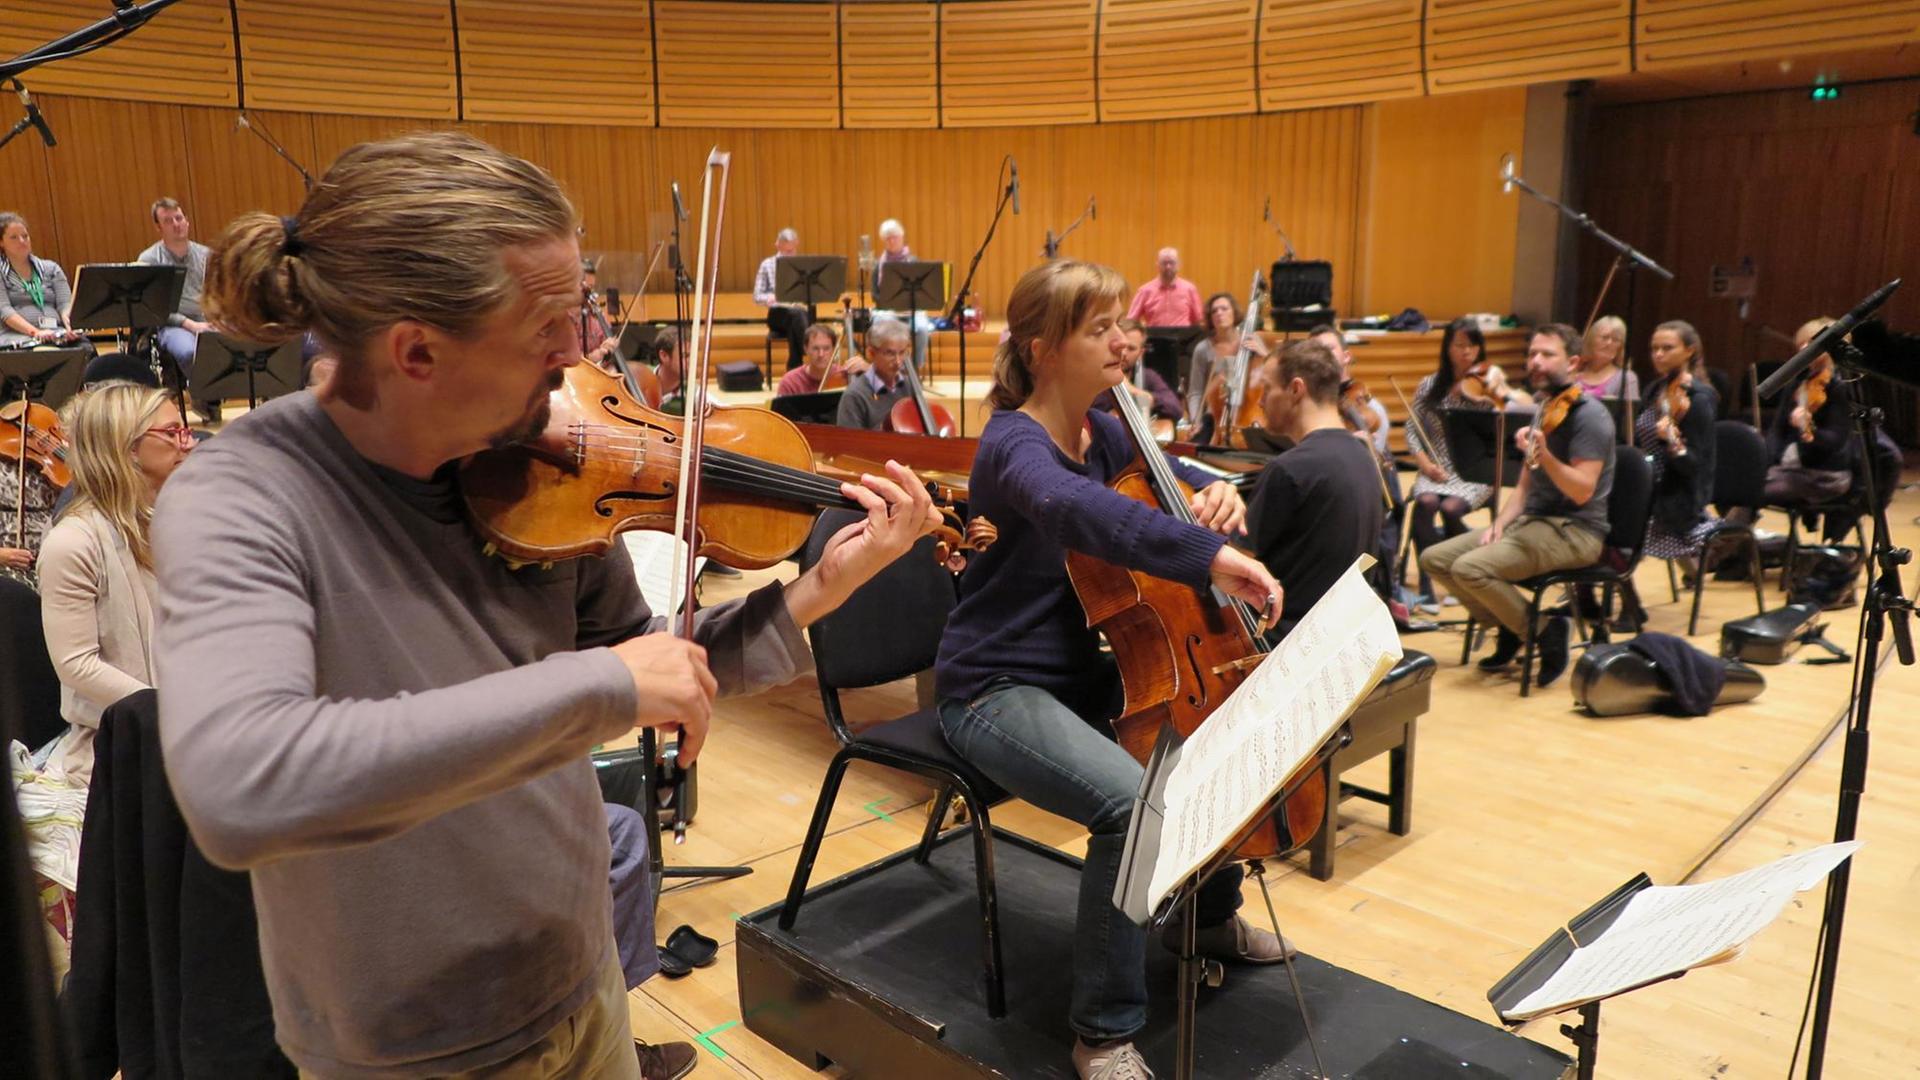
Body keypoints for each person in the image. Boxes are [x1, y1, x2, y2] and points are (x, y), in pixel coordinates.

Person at [153, 131, 941, 1080]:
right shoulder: (245, 497)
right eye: (549, 327)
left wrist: (821, 587)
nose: (585, 348)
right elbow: (246, 789)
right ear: (417, 352)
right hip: (417, 1046)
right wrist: (599, 685)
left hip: (583, 979)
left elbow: (652, 666)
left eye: (583, 311)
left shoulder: (536, 468)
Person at [935, 259, 1287, 1080]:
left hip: (1081, 674)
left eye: (1123, 323)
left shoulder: (1112, 425)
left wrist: (1218, 495)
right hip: (995, 686)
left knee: (1216, 732)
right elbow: (1074, 510)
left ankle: (1205, 920)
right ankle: (1102, 1032)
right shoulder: (1012, 443)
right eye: (1101, 329)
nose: (1126, 342)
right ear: (1042, 347)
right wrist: (1209, 555)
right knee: (1132, 808)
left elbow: (1183, 476)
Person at [1420, 324, 1615, 687]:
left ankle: (1545, 630)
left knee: (1470, 569)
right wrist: (1500, 523)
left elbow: (1583, 491)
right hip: (1533, 524)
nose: (1535, 362)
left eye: (1547, 355)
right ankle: (1510, 626)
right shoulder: (1544, 409)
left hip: (1576, 531)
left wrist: (1545, 456)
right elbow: (1525, 483)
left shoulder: (1591, 417)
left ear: (1573, 362)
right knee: (1435, 559)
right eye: (1532, 354)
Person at [39, 382, 191, 785]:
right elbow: (77, 664)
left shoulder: (177, 519)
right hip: (118, 754)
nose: (187, 443)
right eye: (172, 433)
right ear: (128, 449)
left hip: (192, 730)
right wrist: (176, 710)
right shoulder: (73, 542)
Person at [1241, 340, 1385, 640]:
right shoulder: (1363, 455)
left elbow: (1238, 565)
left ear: (1296, 389)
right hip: (1342, 638)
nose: (1262, 401)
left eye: (1267, 389)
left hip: (1283, 643)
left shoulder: (1289, 469)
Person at [1404, 318, 1527, 610]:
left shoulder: (1488, 384)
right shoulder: (1430, 385)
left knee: (1450, 508)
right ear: (1447, 348)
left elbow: (1523, 406)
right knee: (1425, 503)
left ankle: (1460, 570)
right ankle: (1427, 585)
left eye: (1473, 345)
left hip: (1476, 470)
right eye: (1459, 345)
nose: (1467, 352)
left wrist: (1502, 391)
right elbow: (1412, 429)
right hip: (1436, 465)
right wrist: (1425, 465)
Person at [1616, 320, 1717, 629]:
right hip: (1648, 484)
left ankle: (1629, 608)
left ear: (1689, 350)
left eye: (1667, 348)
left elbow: (1694, 465)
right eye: (1654, 349)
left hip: (1676, 493)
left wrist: (1671, 442)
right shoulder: (1655, 389)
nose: (1658, 355)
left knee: (1618, 534)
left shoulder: (1699, 399)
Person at [1764, 316, 1857, 535]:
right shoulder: (1798, 383)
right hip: (1792, 470)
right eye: (1801, 344)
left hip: (1825, 476)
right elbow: (1777, 430)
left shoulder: (1841, 388)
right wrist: (1767, 461)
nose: (1803, 348)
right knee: (1737, 483)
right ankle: (1742, 552)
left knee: (1748, 491)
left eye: (1812, 344)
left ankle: (1726, 553)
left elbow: (1834, 442)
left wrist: (1810, 428)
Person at [136, 199, 216, 398]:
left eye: (179, 218)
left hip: (206, 319)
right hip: (172, 324)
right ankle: (206, 396)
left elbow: (219, 293)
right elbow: (152, 306)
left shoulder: (207, 255)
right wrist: (190, 325)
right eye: (168, 221)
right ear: (158, 227)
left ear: (187, 221)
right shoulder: (149, 259)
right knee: (189, 352)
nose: (176, 224)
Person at [1185, 291, 1268, 443]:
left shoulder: (1252, 339)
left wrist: (1264, 354)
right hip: (1215, 415)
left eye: (1224, 309)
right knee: (1197, 447)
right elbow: (1196, 392)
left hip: (1250, 411)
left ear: (1234, 312)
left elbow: (1270, 375)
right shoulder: (1203, 349)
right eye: (1214, 311)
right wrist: (1195, 420)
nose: (1219, 313)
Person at [0, 213, 83, 350]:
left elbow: (65, 304)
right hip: (16, 336)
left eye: (25, 236)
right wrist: (35, 332)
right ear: (1, 242)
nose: (22, 241)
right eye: (14, 237)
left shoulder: (51, 268)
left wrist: (69, 327)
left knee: (85, 349)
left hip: (55, 332)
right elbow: (4, 311)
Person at [1090, 318, 1181, 428]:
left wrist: (1139, 394)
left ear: (1141, 353)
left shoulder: (1148, 376)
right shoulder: (1094, 376)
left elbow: (1175, 407)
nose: (1123, 353)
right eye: (1120, 346)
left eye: (1131, 348)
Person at [834, 315, 912, 430]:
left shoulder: (909, 385)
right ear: (871, 353)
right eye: (890, 353)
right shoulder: (855, 396)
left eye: (902, 353)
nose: (898, 361)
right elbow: (850, 445)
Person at [753, 228, 810, 370]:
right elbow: (757, 295)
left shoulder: (802, 266)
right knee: (798, 316)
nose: (790, 255)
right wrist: (769, 297)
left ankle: (794, 366)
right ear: (778, 245)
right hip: (777, 314)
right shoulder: (767, 264)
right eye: (787, 251)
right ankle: (809, 349)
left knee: (795, 319)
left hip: (795, 313)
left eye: (792, 251)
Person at [775, 322, 868, 397]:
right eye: (815, 348)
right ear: (806, 349)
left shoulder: (846, 376)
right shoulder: (790, 382)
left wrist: (870, 371)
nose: (821, 354)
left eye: (826, 348)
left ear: (834, 349)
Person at [1125, 247, 1203, 327]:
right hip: (1154, 337)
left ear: (1178, 265)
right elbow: (1131, 321)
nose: (1168, 266)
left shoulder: (1190, 289)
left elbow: (1198, 321)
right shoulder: (1144, 291)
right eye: (1164, 263)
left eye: (1172, 263)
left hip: (1182, 338)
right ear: (1157, 265)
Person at [1577, 315, 1640, 402]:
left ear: (1620, 347)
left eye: (1616, 340)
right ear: (1591, 340)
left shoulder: (1626, 378)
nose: (1609, 343)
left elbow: (1629, 414)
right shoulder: (1574, 371)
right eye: (1604, 337)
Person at [650, 325, 687, 416]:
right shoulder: (639, 376)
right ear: (664, 356)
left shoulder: (695, 394)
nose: (691, 361)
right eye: (685, 356)